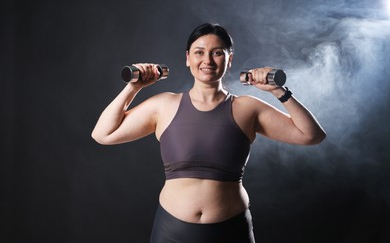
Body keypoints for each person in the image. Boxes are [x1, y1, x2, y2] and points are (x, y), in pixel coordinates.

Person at [91, 22, 326, 242]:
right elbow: (103, 134)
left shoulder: (246, 107)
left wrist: (279, 91)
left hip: (231, 231)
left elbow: (312, 135)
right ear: (187, 58)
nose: (208, 60)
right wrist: (133, 87)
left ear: (229, 59)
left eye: (217, 52)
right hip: (171, 233)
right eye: (199, 52)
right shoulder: (164, 105)